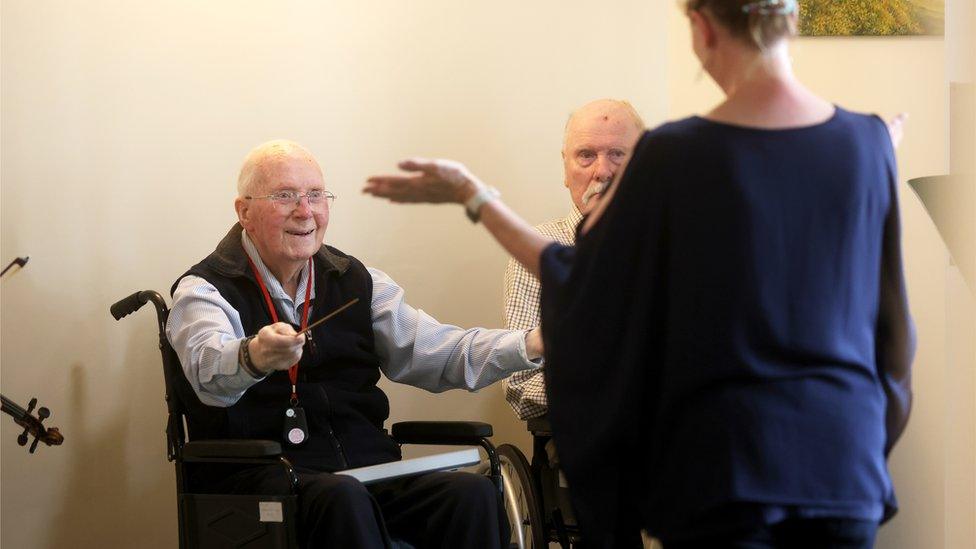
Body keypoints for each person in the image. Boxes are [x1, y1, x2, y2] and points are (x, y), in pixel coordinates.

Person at [363, 0, 916, 546]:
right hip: (844, 458)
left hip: (729, 467)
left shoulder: (673, 154)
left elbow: (575, 279)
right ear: (794, 20)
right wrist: (868, 436)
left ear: (700, 28)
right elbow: (894, 334)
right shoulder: (867, 142)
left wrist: (474, 196)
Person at [166, 139, 544, 548]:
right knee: (341, 497)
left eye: (315, 195)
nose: (305, 210)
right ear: (245, 212)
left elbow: (439, 352)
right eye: (284, 196)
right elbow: (208, 371)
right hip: (269, 485)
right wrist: (254, 356)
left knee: (469, 495)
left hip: (366, 475)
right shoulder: (203, 291)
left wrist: (534, 344)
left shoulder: (356, 280)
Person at [504, 98, 644, 421]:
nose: (602, 170)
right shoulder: (534, 253)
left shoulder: (674, 244)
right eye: (586, 155)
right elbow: (519, 383)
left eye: (618, 155)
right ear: (566, 169)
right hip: (590, 435)